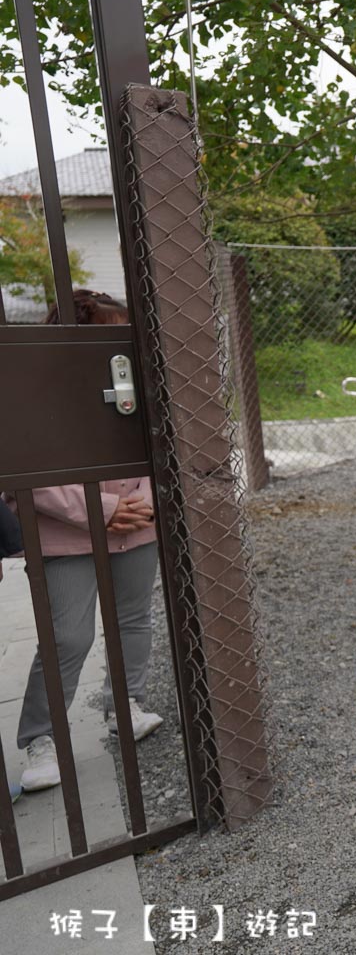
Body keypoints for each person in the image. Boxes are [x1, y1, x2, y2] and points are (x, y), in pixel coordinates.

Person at [8, 290, 165, 794]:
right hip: (63, 535)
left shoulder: (133, 378)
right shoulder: (28, 389)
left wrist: (142, 499)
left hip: (136, 524)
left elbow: (157, 440)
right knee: (67, 637)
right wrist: (105, 510)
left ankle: (126, 705)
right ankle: (42, 737)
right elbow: (24, 473)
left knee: (133, 620)